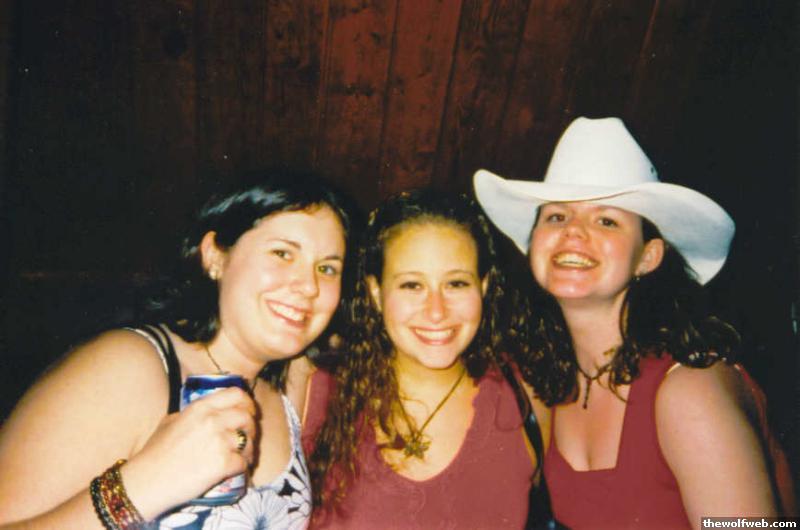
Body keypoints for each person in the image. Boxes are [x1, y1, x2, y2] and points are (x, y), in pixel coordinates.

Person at [474, 116, 797, 529]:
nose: (573, 232)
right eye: (556, 216)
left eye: (606, 220)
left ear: (648, 257)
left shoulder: (689, 392)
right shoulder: (545, 380)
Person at [0, 171, 356, 529]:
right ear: (214, 256)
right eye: (282, 253)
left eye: (327, 268)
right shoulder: (128, 366)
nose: (310, 286)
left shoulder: (288, 387)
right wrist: (139, 489)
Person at [301, 189, 550, 529]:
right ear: (376, 292)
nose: (436, 312)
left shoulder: (527, 396)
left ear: (484, 286)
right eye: (412, 286)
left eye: (456, 284)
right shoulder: (312, 392)